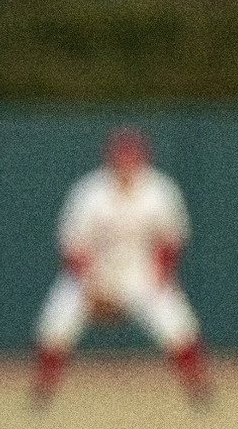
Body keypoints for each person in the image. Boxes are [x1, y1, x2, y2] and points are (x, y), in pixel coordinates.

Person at [32, 127, 210, 407]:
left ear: (143, 159)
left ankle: (199, 390)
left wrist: (161, 276)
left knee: (177, 324)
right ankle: (42, 391)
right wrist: (89, 285)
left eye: (132, 158)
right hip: (95, 271)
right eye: (121, 158)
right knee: (56, 321)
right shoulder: (90, 191)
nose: (126, 164)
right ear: (109, 159)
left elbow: (172, 240)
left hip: (141, 270)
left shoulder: (160, 190)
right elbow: (72, 244)